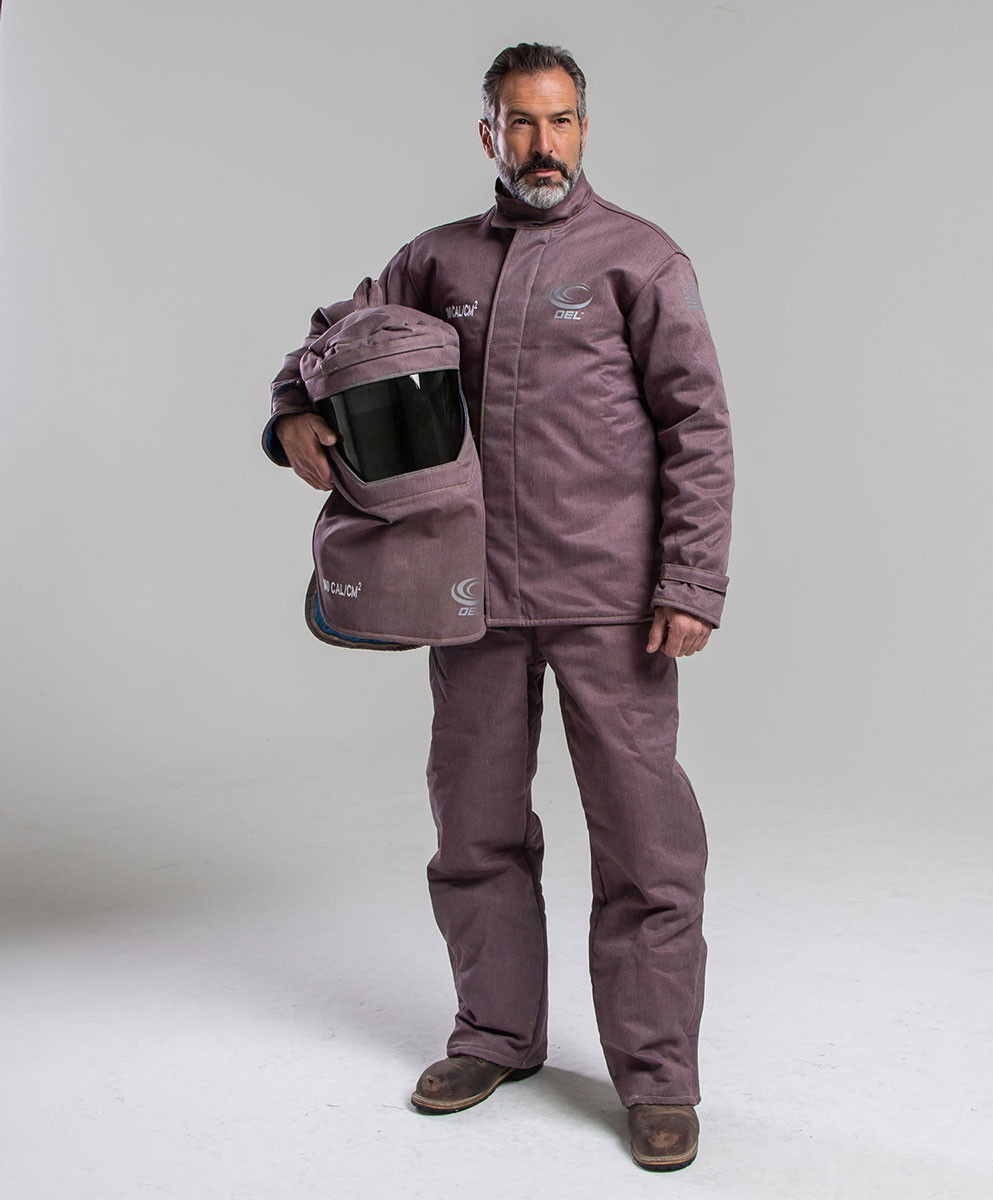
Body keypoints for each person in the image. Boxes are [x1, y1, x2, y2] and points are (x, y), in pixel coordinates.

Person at [261, 42, 734, 1172]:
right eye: (520, 125)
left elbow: (699, 430)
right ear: (489, 135)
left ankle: (659, 1078)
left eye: (562, 122)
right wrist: (290, 414)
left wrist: (690, 580)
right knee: (472, 827)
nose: (543, 146)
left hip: (611, 599)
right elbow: (340, 343)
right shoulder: (435, 260)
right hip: (465, 592)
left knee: (647, 847)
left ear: (586, 129)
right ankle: (497, 1033)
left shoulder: (642, 260)